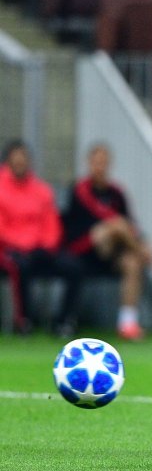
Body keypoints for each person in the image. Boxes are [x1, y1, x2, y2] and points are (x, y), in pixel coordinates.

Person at [62, 144, 152, 341]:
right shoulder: (80, 190)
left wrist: (139, 241)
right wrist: (128, 235)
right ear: (89, 163)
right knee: (116, 226)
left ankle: (127, 323)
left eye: (104, 162)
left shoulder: (116, 193)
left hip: (111, 253)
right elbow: (108, 219)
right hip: (83, 248)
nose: (100, 167)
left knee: (132, 262)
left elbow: (131, 224)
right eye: (97, 162)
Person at [0, 140, 84, 335]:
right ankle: (24, 321)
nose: (20, 162)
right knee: (19, 266)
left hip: (40, 248)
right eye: (16, 158)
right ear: (8, 161)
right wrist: (22, 243)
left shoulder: (41, 190)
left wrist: (47, 244)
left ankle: (64, 321)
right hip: (10, 249)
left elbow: (51, 223)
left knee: (74, 266)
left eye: (24, 158)